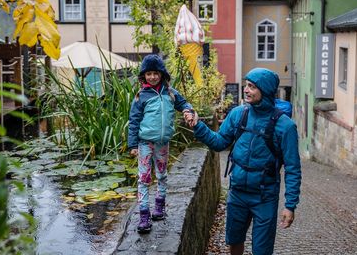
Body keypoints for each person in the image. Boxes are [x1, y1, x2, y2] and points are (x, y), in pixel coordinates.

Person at [186, 68, 301, 255]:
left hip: (265, 196)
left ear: (265, 90)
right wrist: (198, 126)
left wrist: (290, 205)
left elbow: (293, 168)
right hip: (238, 192)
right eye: (246, 85)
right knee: (234, 240)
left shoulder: (285, 126)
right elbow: (219, 142)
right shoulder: (238, 114)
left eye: (252, 87)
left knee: (262, 250)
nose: (246, 90)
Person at [128, 54, 194, 233]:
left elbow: (184, 104)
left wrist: (189, 111)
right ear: (144, 76)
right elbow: (134, 120)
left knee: (162, 175)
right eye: (148, 74)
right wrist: (133, 145)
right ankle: (143, 215)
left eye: (155, 73)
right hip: (144, 143)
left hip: (162, 143)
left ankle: (159, 208)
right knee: (144, 178)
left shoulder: (170, 92)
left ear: (162, 74)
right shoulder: (141, 96)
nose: (152, 77)